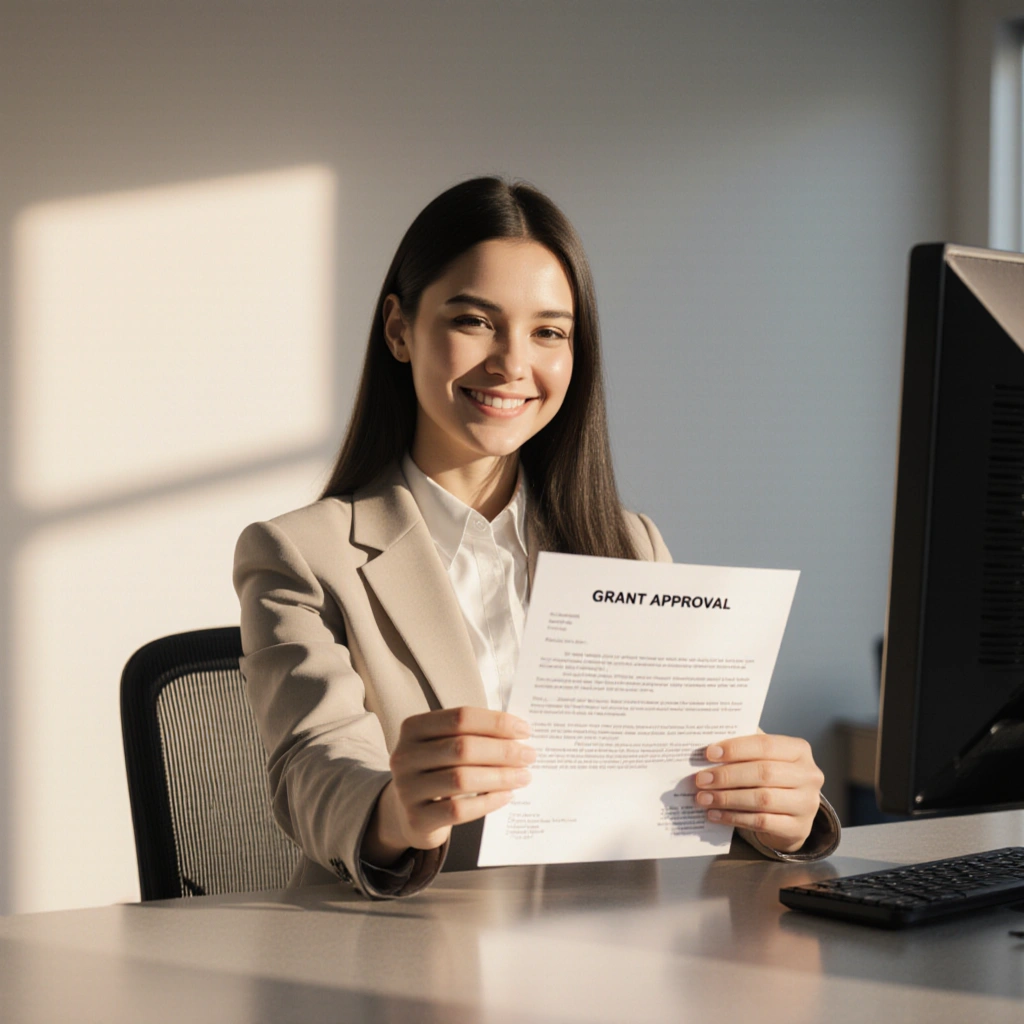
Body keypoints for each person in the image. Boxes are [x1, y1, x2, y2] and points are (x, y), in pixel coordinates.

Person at [233, 177, 840, 899]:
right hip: (409, 958)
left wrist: (779, 812)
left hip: (610, 955)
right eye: (475, 322)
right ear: (399, 328)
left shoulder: (630, 544)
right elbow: (312, 766)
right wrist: (395, 810)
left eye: (548, 331)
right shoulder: (301, 555)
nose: (513, 364)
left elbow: (690, 774)